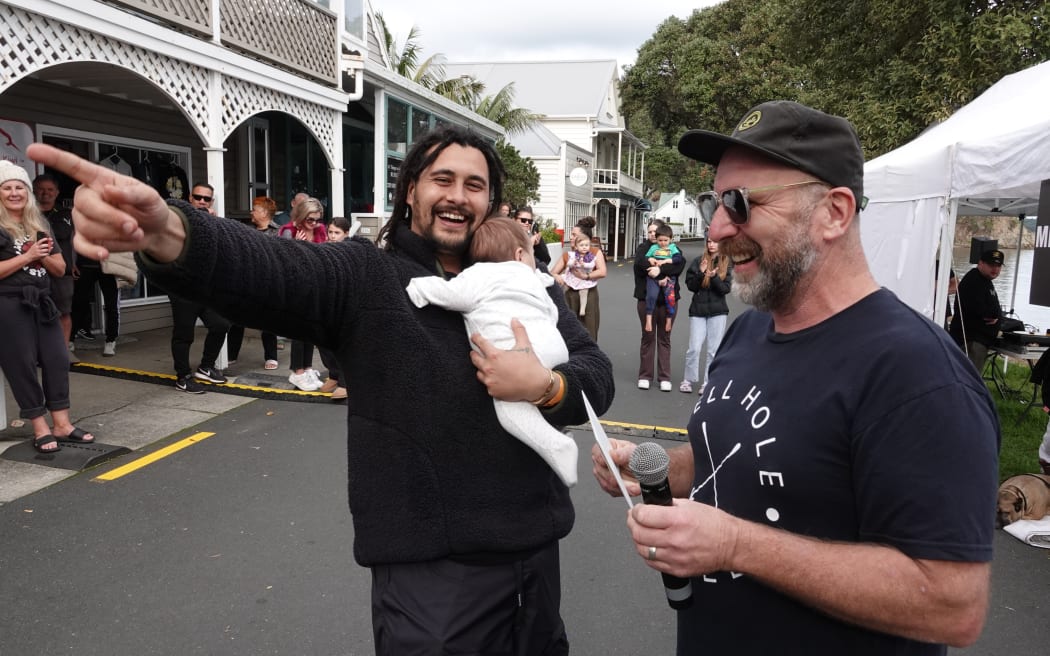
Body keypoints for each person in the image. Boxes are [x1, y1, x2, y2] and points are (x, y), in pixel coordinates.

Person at [30, 123, 613, 655]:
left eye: (475, 185)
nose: (459, 196)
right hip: (433, 579)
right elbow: (272, 268)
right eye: (443, 179)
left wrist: (545, 386)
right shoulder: (367, 276)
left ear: (491, 200)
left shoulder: (525, 283)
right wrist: (168, 229)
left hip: (536, 557)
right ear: (410, 189)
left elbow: (595, 371)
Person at [592, 101, 999, 654]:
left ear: (833, 212)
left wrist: (734, 544)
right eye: (715, 202)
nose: (715, 227)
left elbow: (952, 604)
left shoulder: (917, 374)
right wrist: (659, 469)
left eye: (739, 203)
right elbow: (737, 459)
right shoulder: (748, 332)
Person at [406, 217, 578, 486]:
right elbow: (553, 312)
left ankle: (556, 445)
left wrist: (419, 289)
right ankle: (558, 426)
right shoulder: (534, 278)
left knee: (509, 407)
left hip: (512, 355)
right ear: (520, 254)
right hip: (553, 347)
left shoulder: (477, 275)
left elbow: (451, 294)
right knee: (531, 398)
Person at [0, 161, 95, 452]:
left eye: (19, 187)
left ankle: (62, 424)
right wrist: (27, 258)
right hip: (10, 303)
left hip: (43, 302)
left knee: (57, 358)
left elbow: (60, 267)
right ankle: (40, 427)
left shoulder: (39, 225)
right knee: (22, 366)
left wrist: (41, 256)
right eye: (7, 188)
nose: (14, 193)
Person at [166, 182, 230, 393]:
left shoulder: (214, 223)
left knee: (221, 324)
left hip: (205, 289)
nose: (202, 201)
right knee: (184, 333)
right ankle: (182, 376)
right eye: (198, 197)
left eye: (207, 199)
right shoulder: (177, 219)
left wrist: (213, 223)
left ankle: (206, 366)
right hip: (182, 287)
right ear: (190, 199)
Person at [225, 196, 280, 370]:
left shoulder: (278, 233)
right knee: (236, 319)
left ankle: (271, 356)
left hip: (268, 282)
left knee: (268, 321)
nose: (251, 212)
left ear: (264, 212)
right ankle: (231, 354)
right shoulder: (246, 231)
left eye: (254, 209)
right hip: (245, 281)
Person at [278, 197, 327, 391]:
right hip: (296, 286)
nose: (314, 224)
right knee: (299, 329)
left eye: (317, 219)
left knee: (311, 330)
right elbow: (282, 260)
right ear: (301, 216)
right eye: (310, 220)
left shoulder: (319, 231)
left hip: (315, 285)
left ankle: (307, 368)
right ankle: (296, 372)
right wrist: (297, 246)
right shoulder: (288, 232)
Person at [634, 219, 684, 391]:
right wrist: (656, 272)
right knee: (648, 336)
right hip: (646, 299)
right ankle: (645, 375)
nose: (653, 235)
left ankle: (664, 377)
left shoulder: (672, 248)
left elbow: (679, 266)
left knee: (664, 337)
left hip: (668, 300)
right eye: (650, 232)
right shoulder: (644, 249)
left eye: (656, 232)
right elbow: (641, 265)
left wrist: (660, 270)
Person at [679, 237, 731, 394]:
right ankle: (688, 380)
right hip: (698, 310)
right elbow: (691, 286)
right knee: (694, 348)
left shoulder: (726, 263)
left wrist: (714, 277)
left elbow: (725, 289)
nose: (711, 245)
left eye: (715, 242)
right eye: (709, 242)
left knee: (713, 350)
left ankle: (708, 382)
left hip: (718, 311)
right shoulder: (698, 261)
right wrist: (701, 274)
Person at [33, 173, 76, 355]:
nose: (45, 193)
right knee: (35, 313)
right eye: (41, 189)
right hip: (33, 271)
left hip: (61, 272)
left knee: (63, 313)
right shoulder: (27, 214)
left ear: (57, 193)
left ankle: (62, 352)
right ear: (34, 191)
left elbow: (74, 240)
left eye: (50, 190)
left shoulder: (66, 215)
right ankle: (37, 352)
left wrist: (74, 263)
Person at [550, 216, 607, 341]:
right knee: (569, 330)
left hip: (589, 294)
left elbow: (602, 271)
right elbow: (552, 273)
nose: (571, 237)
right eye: (571, 234)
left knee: (590, 329)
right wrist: (558, 276)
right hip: (570, 294)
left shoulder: (595, 252)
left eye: (574, 235)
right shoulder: (568, 255)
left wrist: (586, 276)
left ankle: (590, 357)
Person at [949, 248, 1005, 372]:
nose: (995, 269)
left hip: (979, 341)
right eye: (991, 265)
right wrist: (996, 314)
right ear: (980, 263)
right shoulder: (974, 280)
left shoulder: (985, 281)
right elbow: (980, 310)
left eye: (998, 266)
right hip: (971, 342)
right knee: (969, 378)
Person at [316, 216, 353, 400]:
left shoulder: (352, 252)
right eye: (330, 232)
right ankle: (333, 375)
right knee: (323, 341)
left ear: (346, 234)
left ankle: (346, 383)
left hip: (345, 302)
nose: (332, 236)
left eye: (337, 233)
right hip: (326, 300)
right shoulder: (323, 248)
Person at [643, 223, 681, 333]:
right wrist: (650, 260)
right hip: (653, 278)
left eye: (665, 240)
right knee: (651, 295)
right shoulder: (653, 247)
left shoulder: (672, 248)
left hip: (669, 277)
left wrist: (666, 261)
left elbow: (678, 259)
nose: (663, 243)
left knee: (670, 297)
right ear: (657, 239)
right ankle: (648, 318)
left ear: (670, 239)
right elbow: (646, 257)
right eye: (660, 240)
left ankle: (669, 318)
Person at [558, 232, 598, 318]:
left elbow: (592, 265)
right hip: (572, 277)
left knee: (584, 291)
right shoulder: (573, 255)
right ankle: (560, 299)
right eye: (582, 245)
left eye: (586, 245)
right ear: (576, 246)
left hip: (583, 278)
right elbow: (568, 264)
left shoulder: (591, 257)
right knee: (565, 286)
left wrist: (585, 265)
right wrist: (573, 262)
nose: (584, 247)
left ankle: (582, 308)